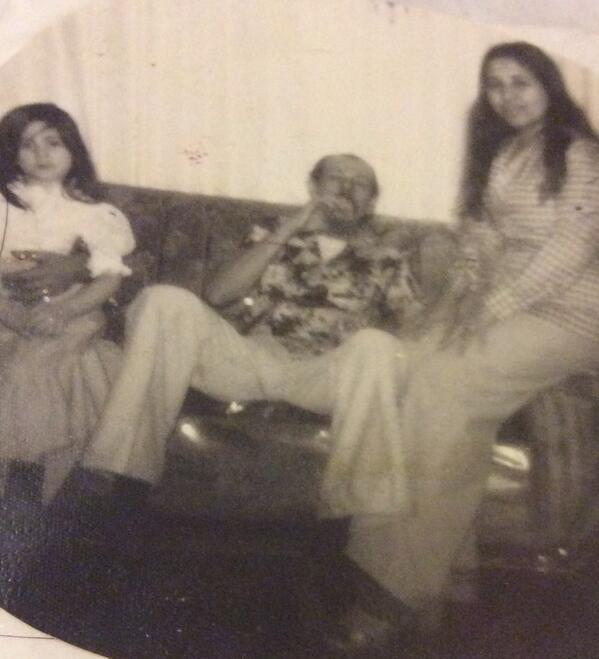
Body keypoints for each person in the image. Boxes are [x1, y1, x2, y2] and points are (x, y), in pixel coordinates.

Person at [82, 39, 599, 651]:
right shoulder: (501, 154)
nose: (508, 96)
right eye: (496, 84)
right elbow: (217, 295)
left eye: (522, 82)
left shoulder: (573, 155)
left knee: (431, 381)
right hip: (252, 354)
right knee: (167, 301)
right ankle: (114, 485)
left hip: (548, 314)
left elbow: (568, 251)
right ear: (313, 185)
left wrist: (471, 315)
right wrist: (296, 231)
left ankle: (387, 578)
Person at [0, 103, 135, 503]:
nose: (41, 154)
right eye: (27, 145)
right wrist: (8, 312)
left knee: (29, 367)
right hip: (5, 303)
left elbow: (109, 277)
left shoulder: (94, 213)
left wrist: (61, 311)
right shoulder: (4, 204)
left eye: (53, 143)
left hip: (72, 307)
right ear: (11, 154)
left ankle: (28, 485)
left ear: (73, 149)